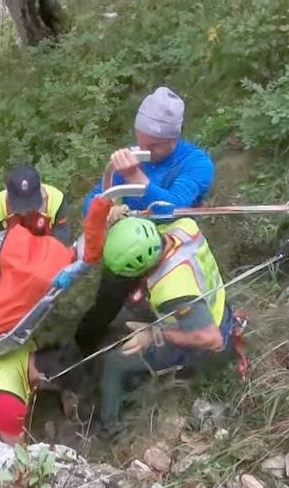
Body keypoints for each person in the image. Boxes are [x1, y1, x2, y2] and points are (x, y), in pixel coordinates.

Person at [75, 86, 215, 354]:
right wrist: (108, 208)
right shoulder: (132, 155)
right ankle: (85, 347)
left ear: (173, 140)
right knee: (108, 298)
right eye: (140, 142)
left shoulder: (196, 163)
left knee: (174, 300)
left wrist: (135, 177)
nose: (143, 150)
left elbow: (171, 207)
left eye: (152, 146)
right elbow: (91, 201)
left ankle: (173, 345)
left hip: (174, 248)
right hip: (130, 246)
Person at [94, 217, 232, 434]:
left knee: (113, 363)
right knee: (126, 316)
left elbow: (212, 339)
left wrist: (154, 334)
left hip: (204, 338)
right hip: (218, 306)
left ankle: (110, 428)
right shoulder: (185, 227)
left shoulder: (171, 289)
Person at [0, 164, 71, 245]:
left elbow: (62, 241)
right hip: (15, 252)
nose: (24, 212)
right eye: (19, 205)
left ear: (41, 187)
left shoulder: (56, 200)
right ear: (6, 189)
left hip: (46, 252)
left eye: (30, 204)